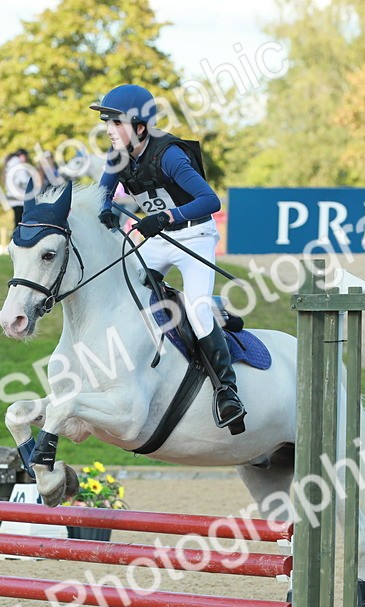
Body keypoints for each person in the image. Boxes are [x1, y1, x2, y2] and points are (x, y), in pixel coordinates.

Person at [91, 83, 244, 433]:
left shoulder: (170, 155)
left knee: (197, 308)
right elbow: (102, 194)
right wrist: (105, 213)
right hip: (157, 239)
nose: (109, 130)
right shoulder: (118, 155)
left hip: (195, 236)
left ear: (140, 127)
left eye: (116, 123)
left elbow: (210, 201)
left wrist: (167, 217)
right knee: (128, 286)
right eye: (107, 123)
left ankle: (227, 390)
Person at [3, 149, 31, 228]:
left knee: (18, 223)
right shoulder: (18, 165)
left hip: (14, 199)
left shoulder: (10, 164)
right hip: (20, 199)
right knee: (21, 224)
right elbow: (23, 180)